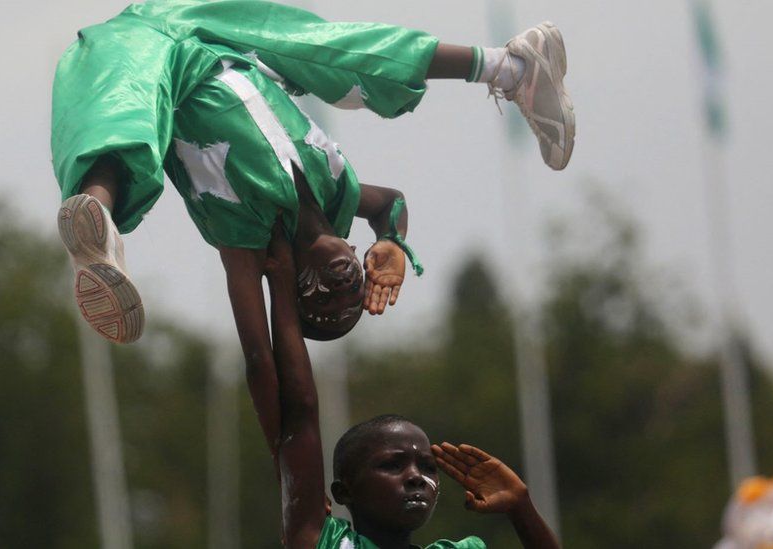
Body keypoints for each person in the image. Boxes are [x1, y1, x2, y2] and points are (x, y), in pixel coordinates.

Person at [53, 0, 574, 458]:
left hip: (152, 66)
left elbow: (261, 362)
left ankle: (97, 220)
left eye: (325, 301)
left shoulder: (246, 241)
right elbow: (391, 203)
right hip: (214, 33)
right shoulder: (340, 194)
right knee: (330, 52)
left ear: (291, 283)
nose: (346, 286)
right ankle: (513, 66)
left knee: (126, 114)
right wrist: (392, 241)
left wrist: (287, 460)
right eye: (355, 292)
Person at [262, 227, 559, 548]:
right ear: (344, 492)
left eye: (428, 467)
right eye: (392, 464)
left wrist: (521, 507)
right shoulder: (326, 542)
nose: (417, 477)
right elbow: (300, 411)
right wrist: (282, 279)